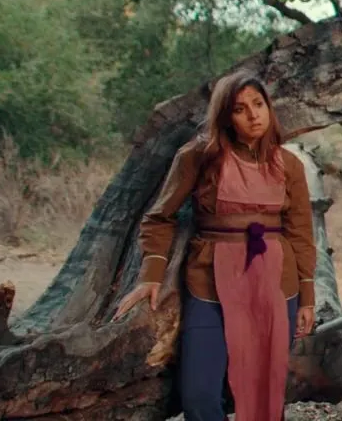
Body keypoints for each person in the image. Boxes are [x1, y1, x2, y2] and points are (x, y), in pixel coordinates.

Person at [113, 70, 318, 421]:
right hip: (209, 281)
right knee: (199, 394)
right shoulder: (198, 156)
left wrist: (308, 298)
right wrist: (150, 275)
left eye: (258, 104)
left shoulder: (289, 165)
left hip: (276, 282)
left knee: (266, 393)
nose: (253, 115)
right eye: (240, 109)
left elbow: (300, 233)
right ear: (225, 116)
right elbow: (159, 217)